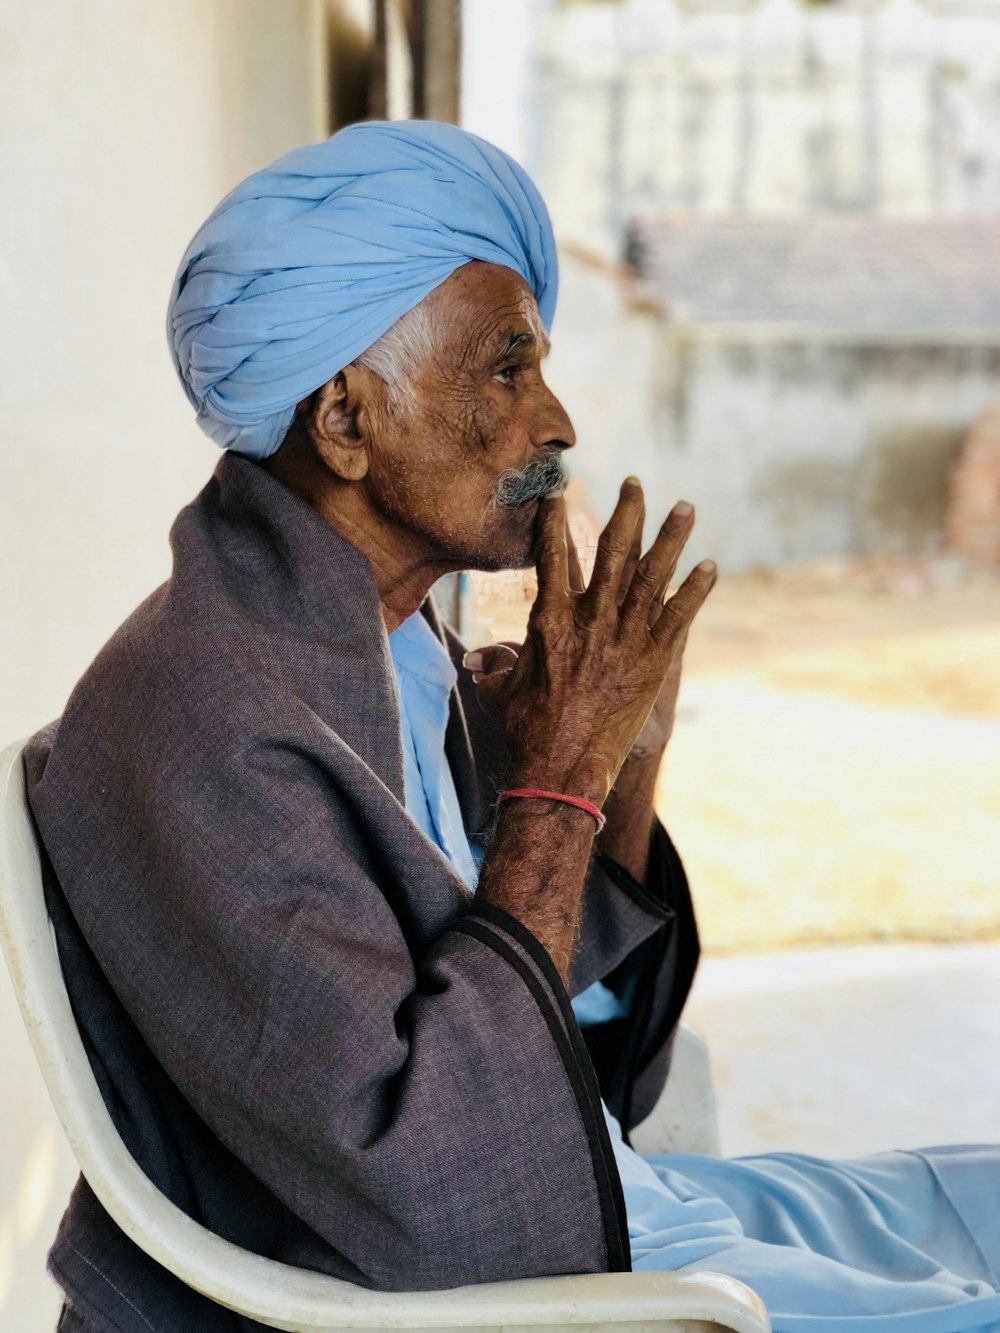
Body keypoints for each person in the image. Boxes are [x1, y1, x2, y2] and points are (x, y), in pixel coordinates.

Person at [24, 121, 999, 1333]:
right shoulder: (204, 715)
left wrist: (624, 757)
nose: (558, 422)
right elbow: (443, 1207)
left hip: (597, 1198)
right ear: (344, 421)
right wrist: (559, 782)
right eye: (506, 369)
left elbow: (584, 1063)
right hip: (487, 1282)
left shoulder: (386, 643)